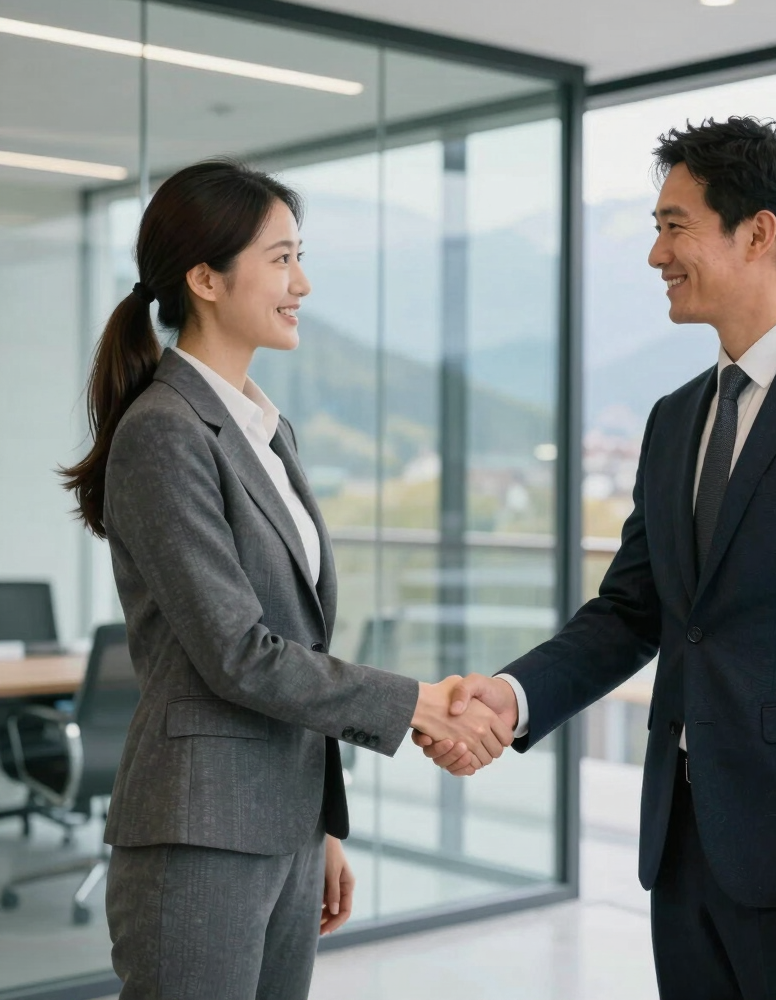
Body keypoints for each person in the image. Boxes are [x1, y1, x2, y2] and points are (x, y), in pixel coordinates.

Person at [414, 118, 776, 999]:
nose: (654, 254)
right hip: (686, 853)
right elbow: (635, 612)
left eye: (674, 226)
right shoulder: (675, 418)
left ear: (758, 232)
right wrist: (509, 700)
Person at [60, 158, 511, 1000]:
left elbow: (295, 638)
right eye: (280, 258)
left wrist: (320, 824)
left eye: (298, 256)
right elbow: (239, 652)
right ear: (204, 278)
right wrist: (418, 701)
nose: (301, 282)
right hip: (198, 832)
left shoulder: (264, 427)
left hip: (283, 828)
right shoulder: (165, 430)